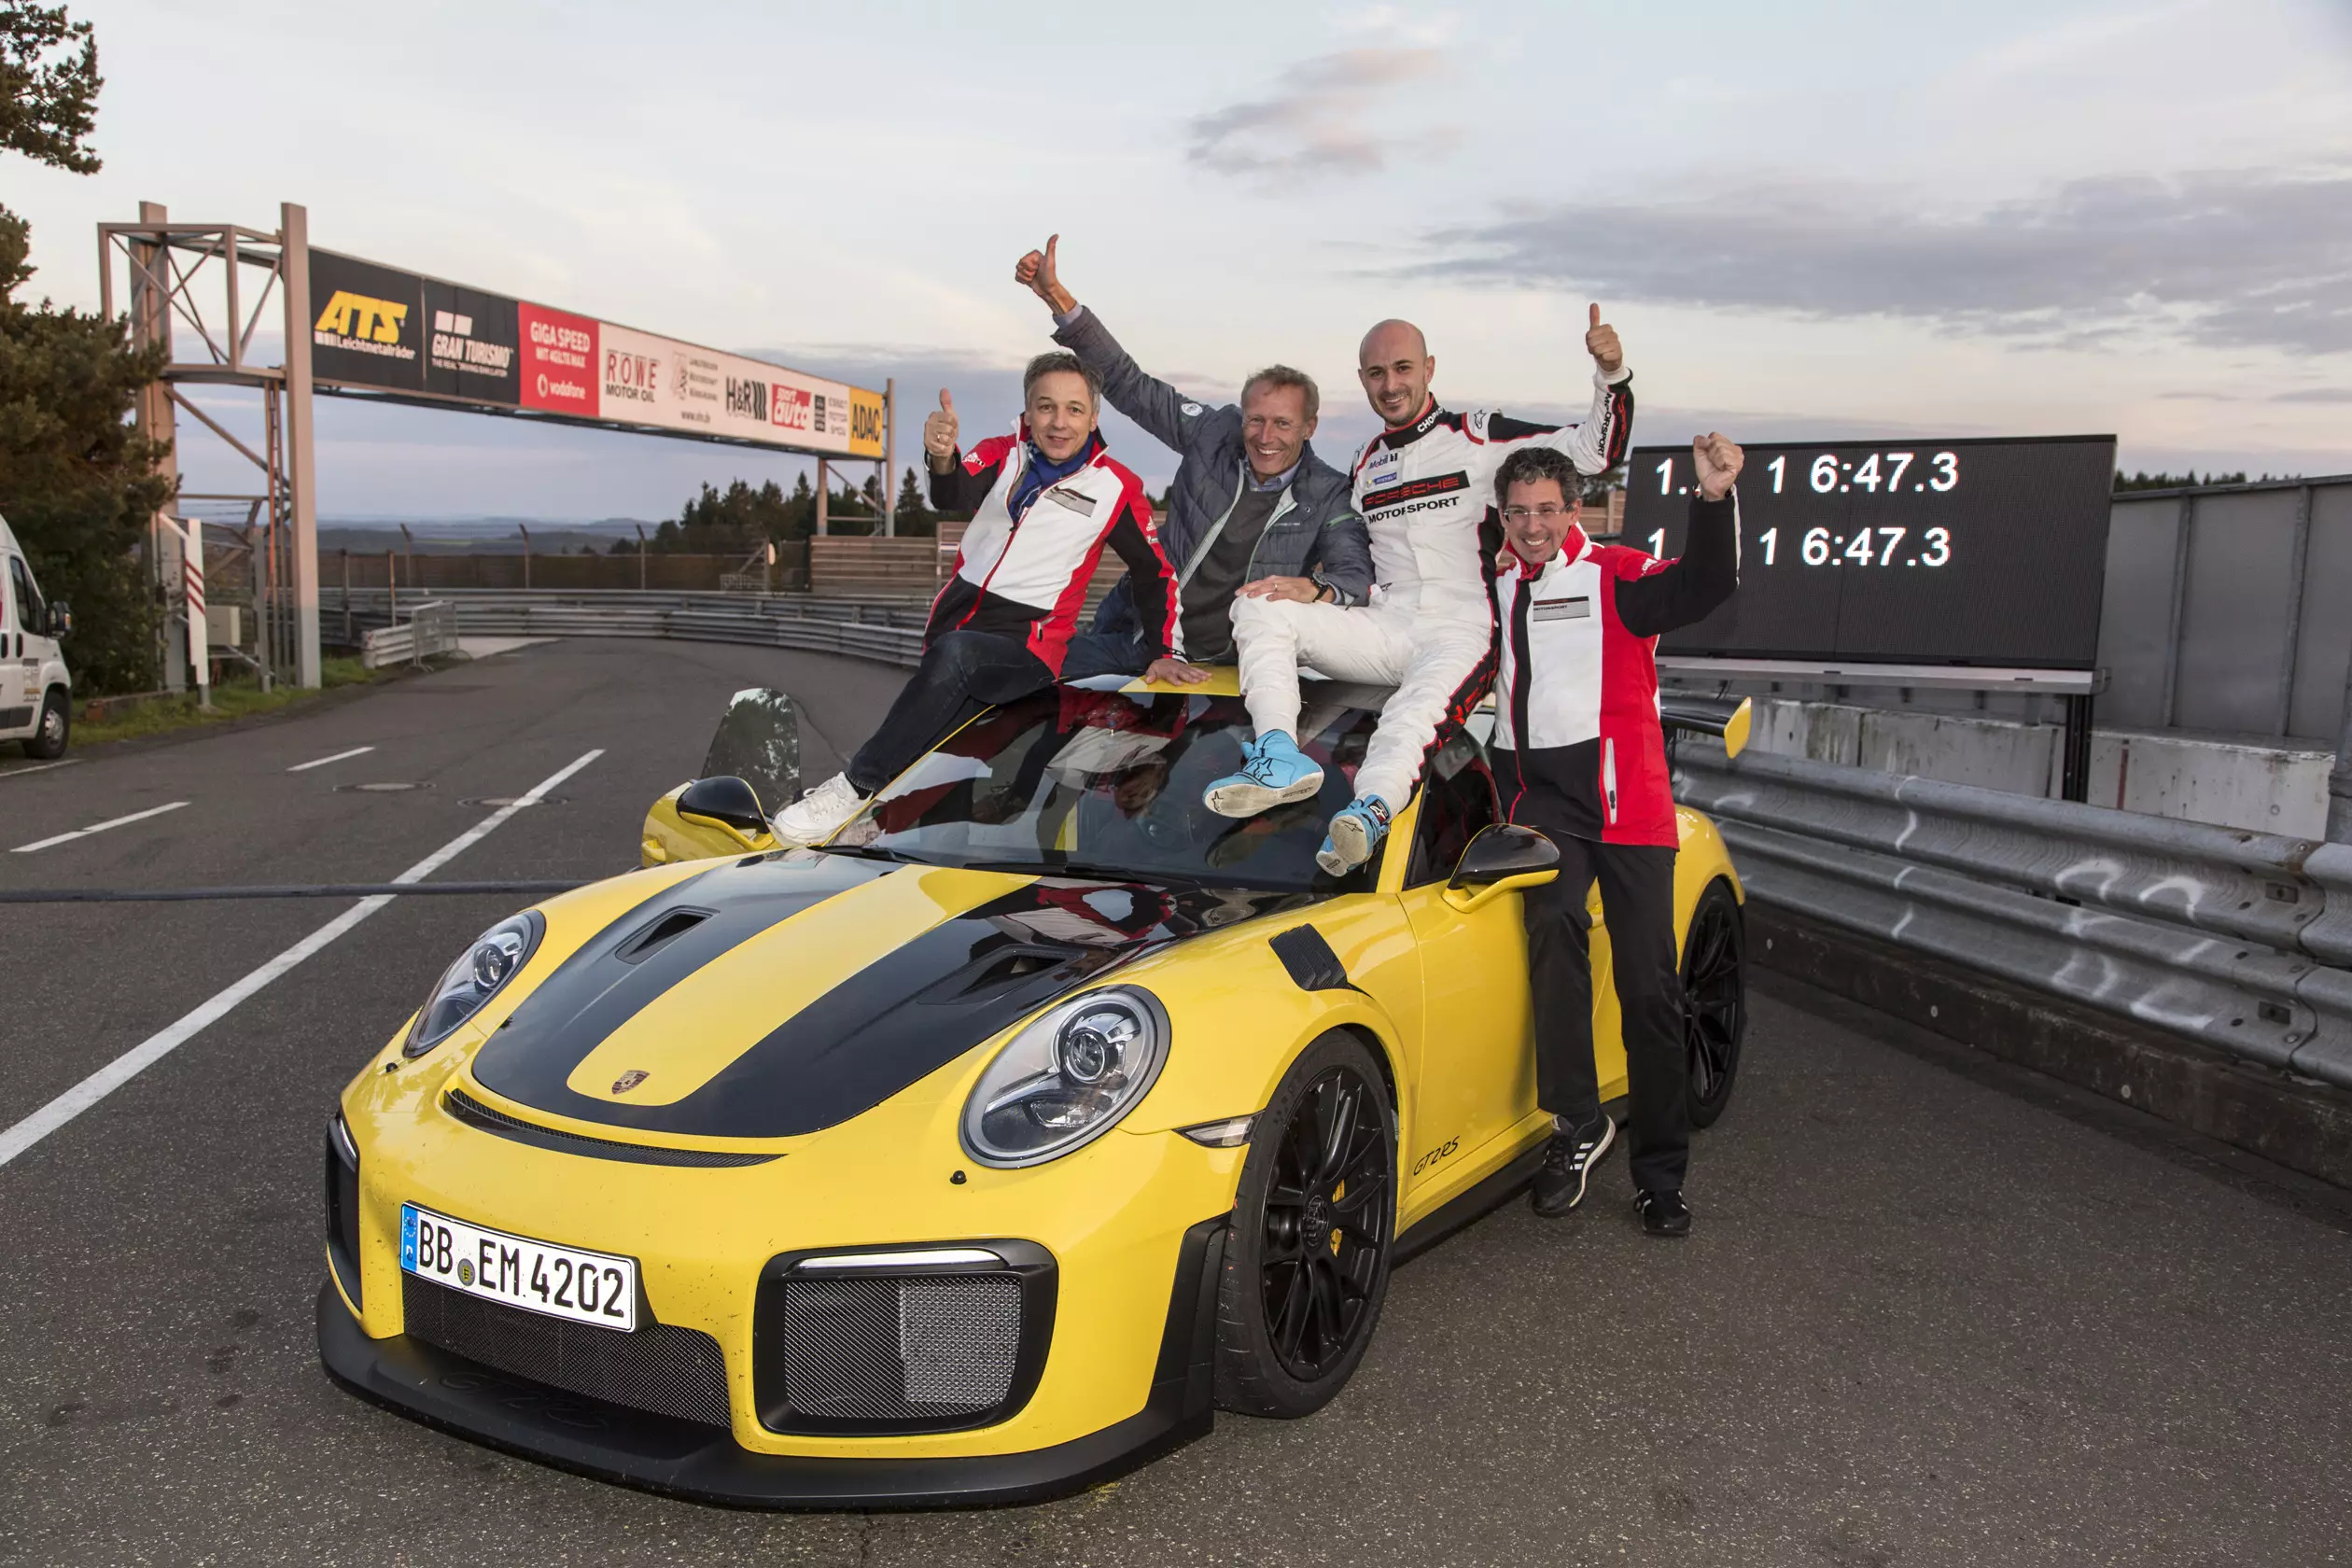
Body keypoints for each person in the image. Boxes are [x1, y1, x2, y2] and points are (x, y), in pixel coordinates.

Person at [1205, 309, 1635, 876]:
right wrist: (1316, 589)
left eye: (1403, 368)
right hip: (1387, 623)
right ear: (1362, 380)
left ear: (1429, 369)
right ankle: (1279, 756)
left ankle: (1370, 812)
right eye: (1377, 373)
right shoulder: (1365, 463)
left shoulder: (1478, 435)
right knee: (1258, 604)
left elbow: (1594, 453)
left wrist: (1612, 375)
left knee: (1410, 721)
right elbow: (1348, 558)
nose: (1391, 385)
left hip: (1462, 629)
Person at [1489, 437, 1743, 1239]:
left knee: (1648, 989)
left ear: (1576, 511)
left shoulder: (1617, 577)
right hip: (1545, 802)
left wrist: (1711, 502)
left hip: (1629, 802)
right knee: (1553, 927)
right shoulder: (1491, 581)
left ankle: (1660, 1176)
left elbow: (1707, 585)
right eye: (1519, 512)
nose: (1533, 527)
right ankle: (1577, 1122)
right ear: (1503, 515)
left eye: (1548, 511)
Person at [773, 353, 1184, 846]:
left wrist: (1164, 649)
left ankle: (856, 786)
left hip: (1030, 646)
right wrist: (941, 456)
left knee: (959, 661)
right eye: (1046, 407)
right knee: (944, 745)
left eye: (1075, 410)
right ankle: (877, 824)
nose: (1059, 422)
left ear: (1094, 418)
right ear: (1028, 412)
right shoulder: (1000, 452)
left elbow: (1154, 570)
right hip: (956, 621)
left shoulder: (1116, 487)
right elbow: (954, 494)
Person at [1013, 235, 1374, 679]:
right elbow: (1130, 385)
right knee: (1040, 700)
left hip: (1219, 663)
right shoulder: (1214, 433)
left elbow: (1353, 575)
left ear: (1309, 428)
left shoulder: (1329, 491)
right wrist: (1057, 297)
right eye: (1255, 420)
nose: (1265, 437)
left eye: (1282, 424)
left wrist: (1317, 588)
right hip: (1135, 631)